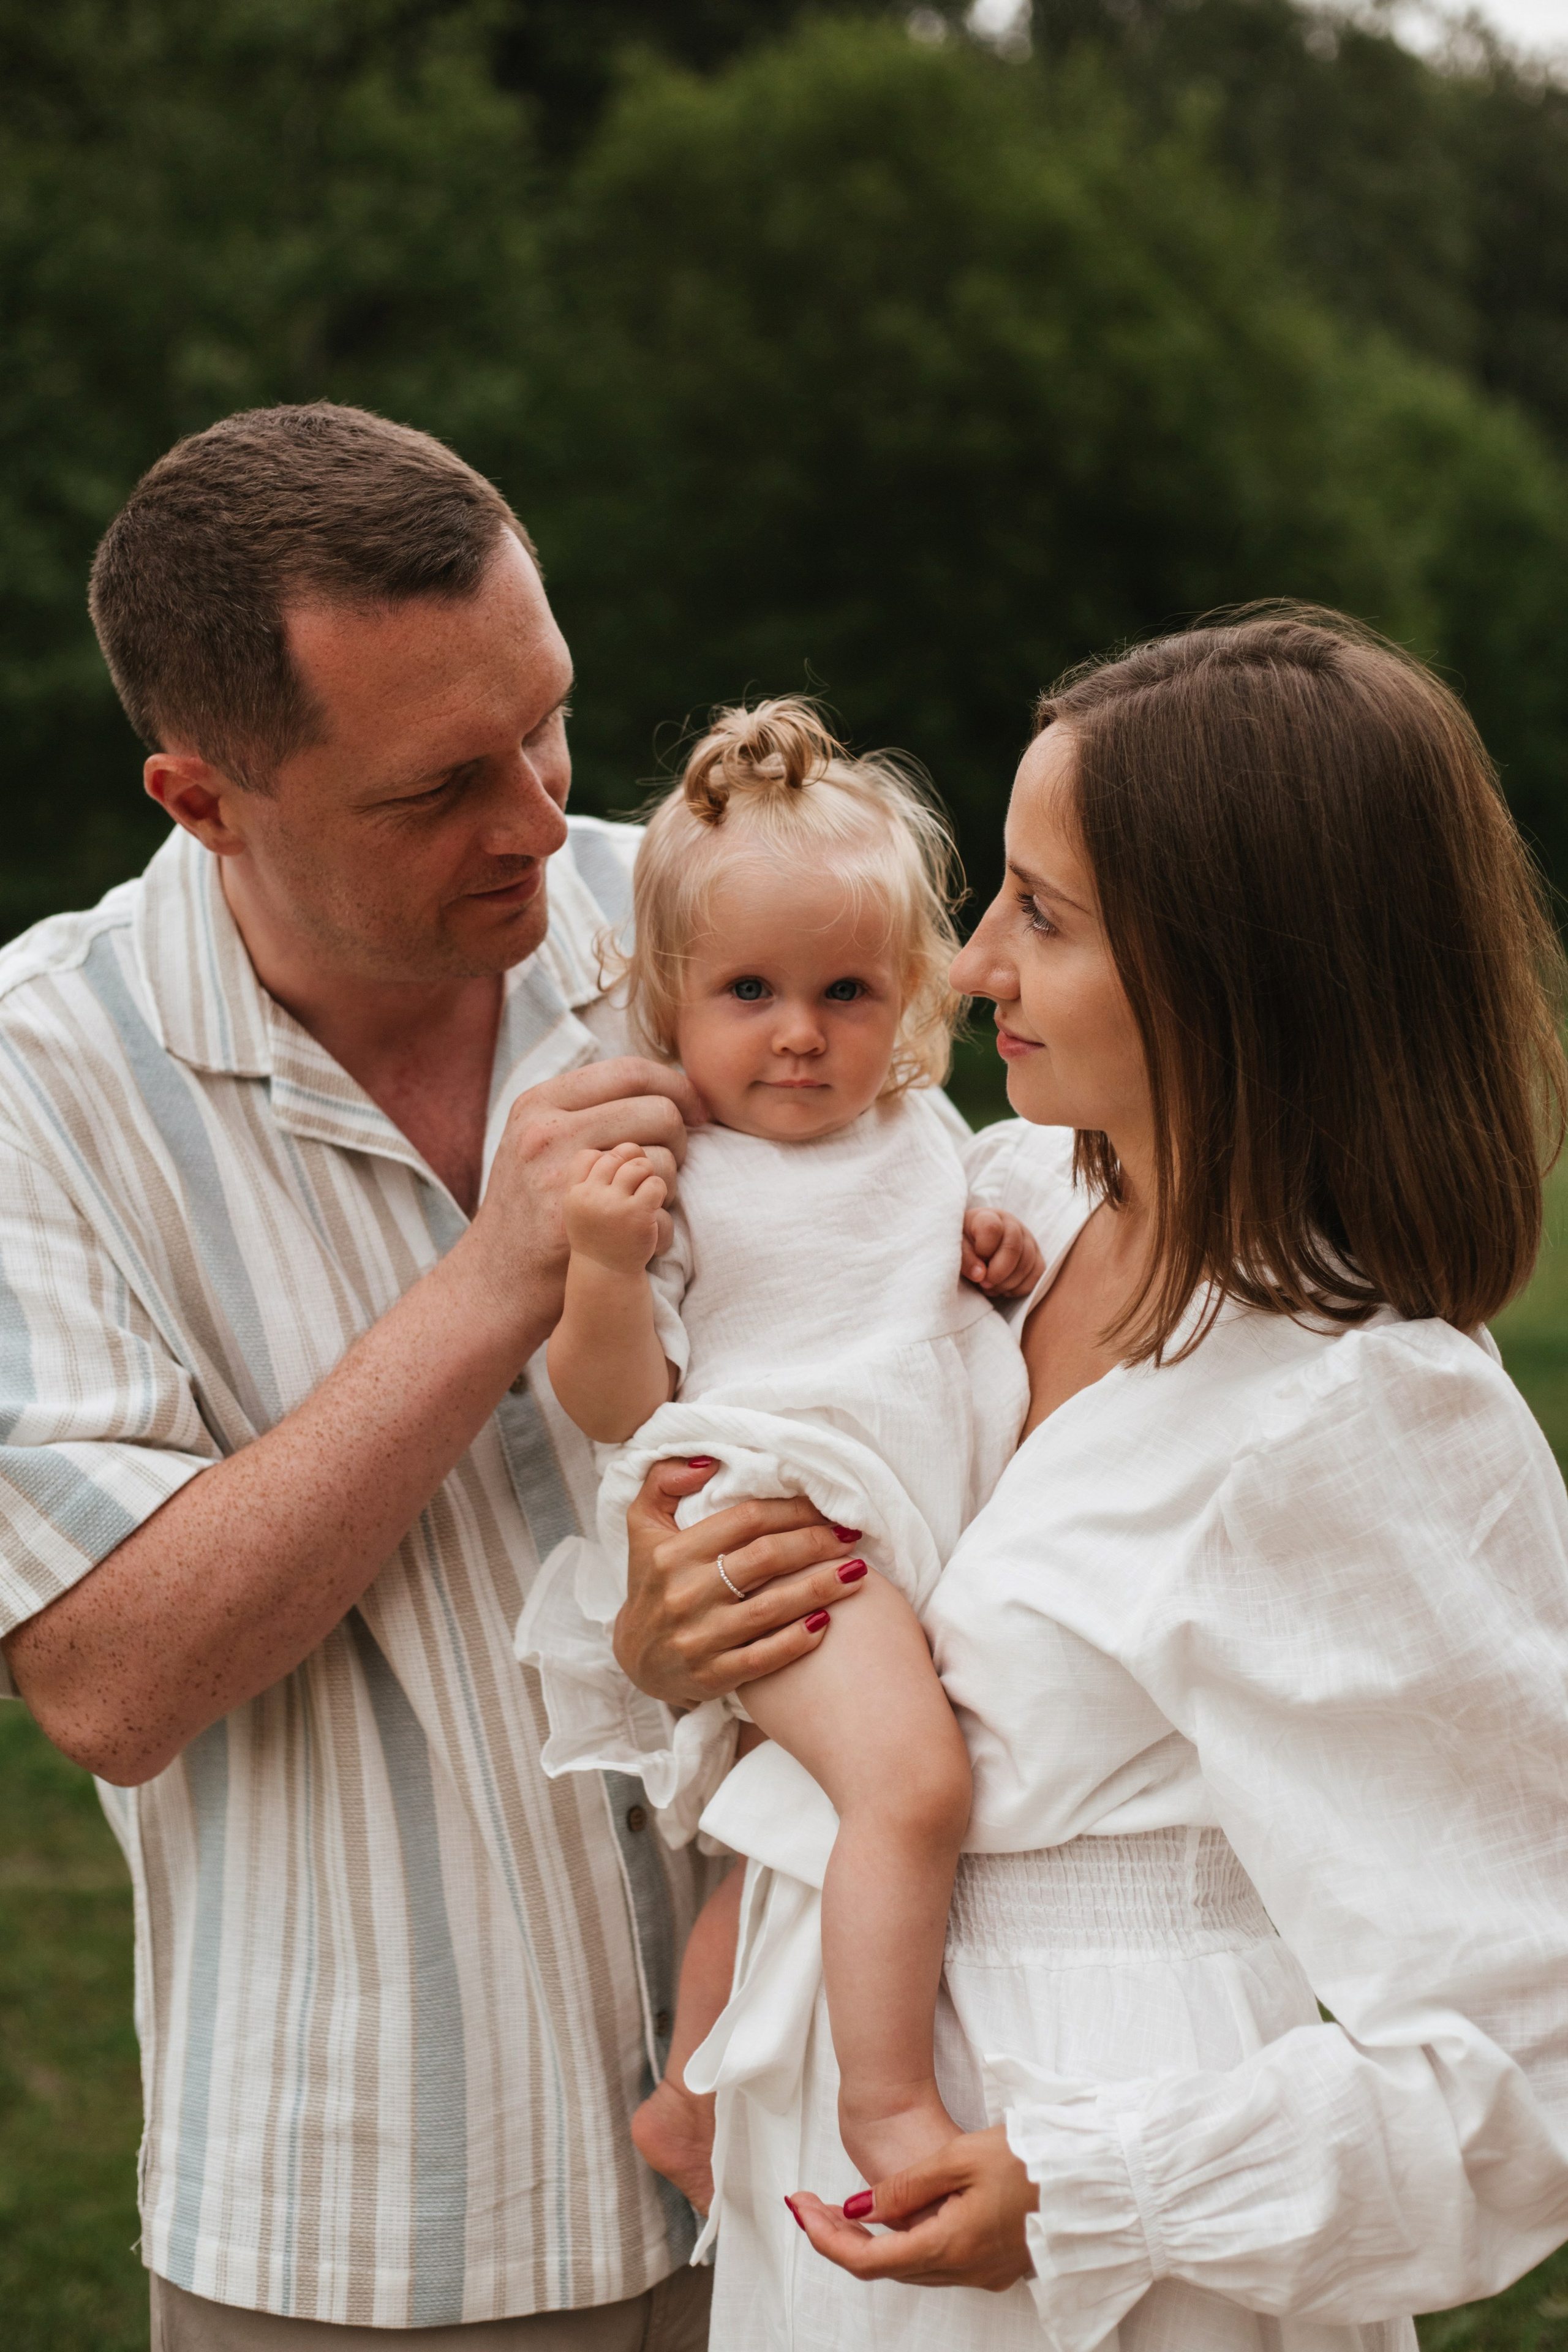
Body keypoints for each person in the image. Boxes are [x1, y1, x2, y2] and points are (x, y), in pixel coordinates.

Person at [0, 402, 861, 2350]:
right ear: (203, 797)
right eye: (441, 787)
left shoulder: (728, 938)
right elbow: (109, 1680)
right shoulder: (33, 1087)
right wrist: (493, 1286)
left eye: (549, 719)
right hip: (376, 2223)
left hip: (821, 2151)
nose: (549, 820)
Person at [612, 609, 1568, 2348]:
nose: (969, 968)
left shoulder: (1358, 1419)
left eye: (1041, 918)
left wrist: (1097, 2189)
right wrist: (680, 1642)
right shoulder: (1001, 1201)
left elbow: (1537, 2063)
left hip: (1115, 2280)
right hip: (841, 2229)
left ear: (1236, 969)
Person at [529, 697, 1047, 2217]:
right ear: (667, 996)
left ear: (908, 1000)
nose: (800, 1032)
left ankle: (688, 2104)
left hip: (902, 1529)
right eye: (748, 989)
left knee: (809, 1829)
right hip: (775, 1525)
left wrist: (985, 1246)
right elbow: (613, 1404)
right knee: (910, 1795)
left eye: (845, 990)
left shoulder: (918, 1137)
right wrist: (607, 1271)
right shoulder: (678, 1172)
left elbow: (924, 1280)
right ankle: (888, 2111)